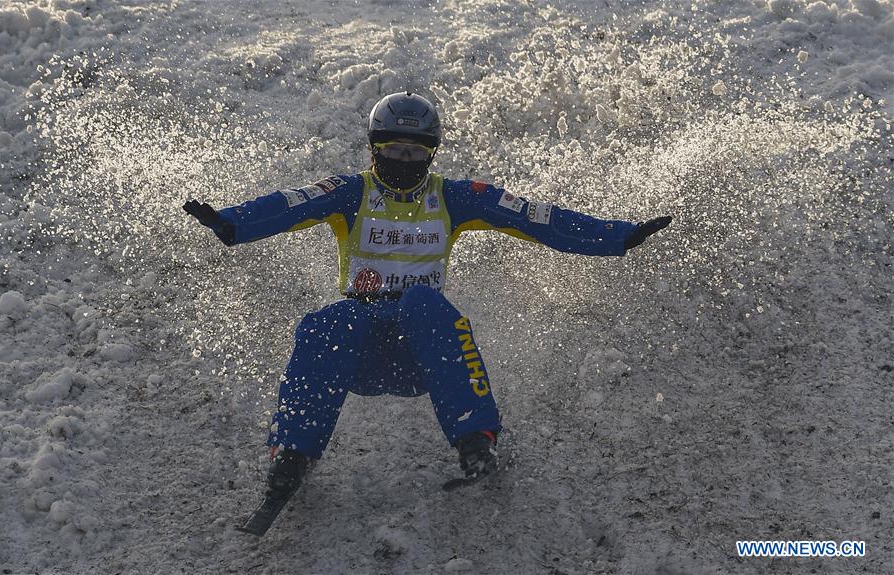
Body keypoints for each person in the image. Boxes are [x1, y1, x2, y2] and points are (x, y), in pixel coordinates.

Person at [183, 91, 671, 513]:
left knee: (425, 303)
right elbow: (290, 203)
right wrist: (231, 223)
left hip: (425, 355)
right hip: (360, 354)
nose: (404, 162)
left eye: (416, 154)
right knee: (333, 318)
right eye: (393, 150)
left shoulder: (455, 198)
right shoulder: (351, 192)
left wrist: (617, 236)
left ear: (432, 155)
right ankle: (291, 452)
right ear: (373, 149)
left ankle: (476, 437)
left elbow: (535, 219)